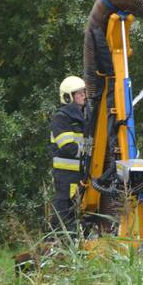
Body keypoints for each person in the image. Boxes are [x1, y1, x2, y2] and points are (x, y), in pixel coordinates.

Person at [48, 75, 87, 237]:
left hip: (80, 174)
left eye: (83, 92)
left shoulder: (84, 116)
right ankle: (55, 242)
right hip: (65, 176)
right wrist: (90, 151)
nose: (83, 95)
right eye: (78, 93)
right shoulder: (61, 118)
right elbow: (68, 147)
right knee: (63, 212)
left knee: (78, 213)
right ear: (68, 97)